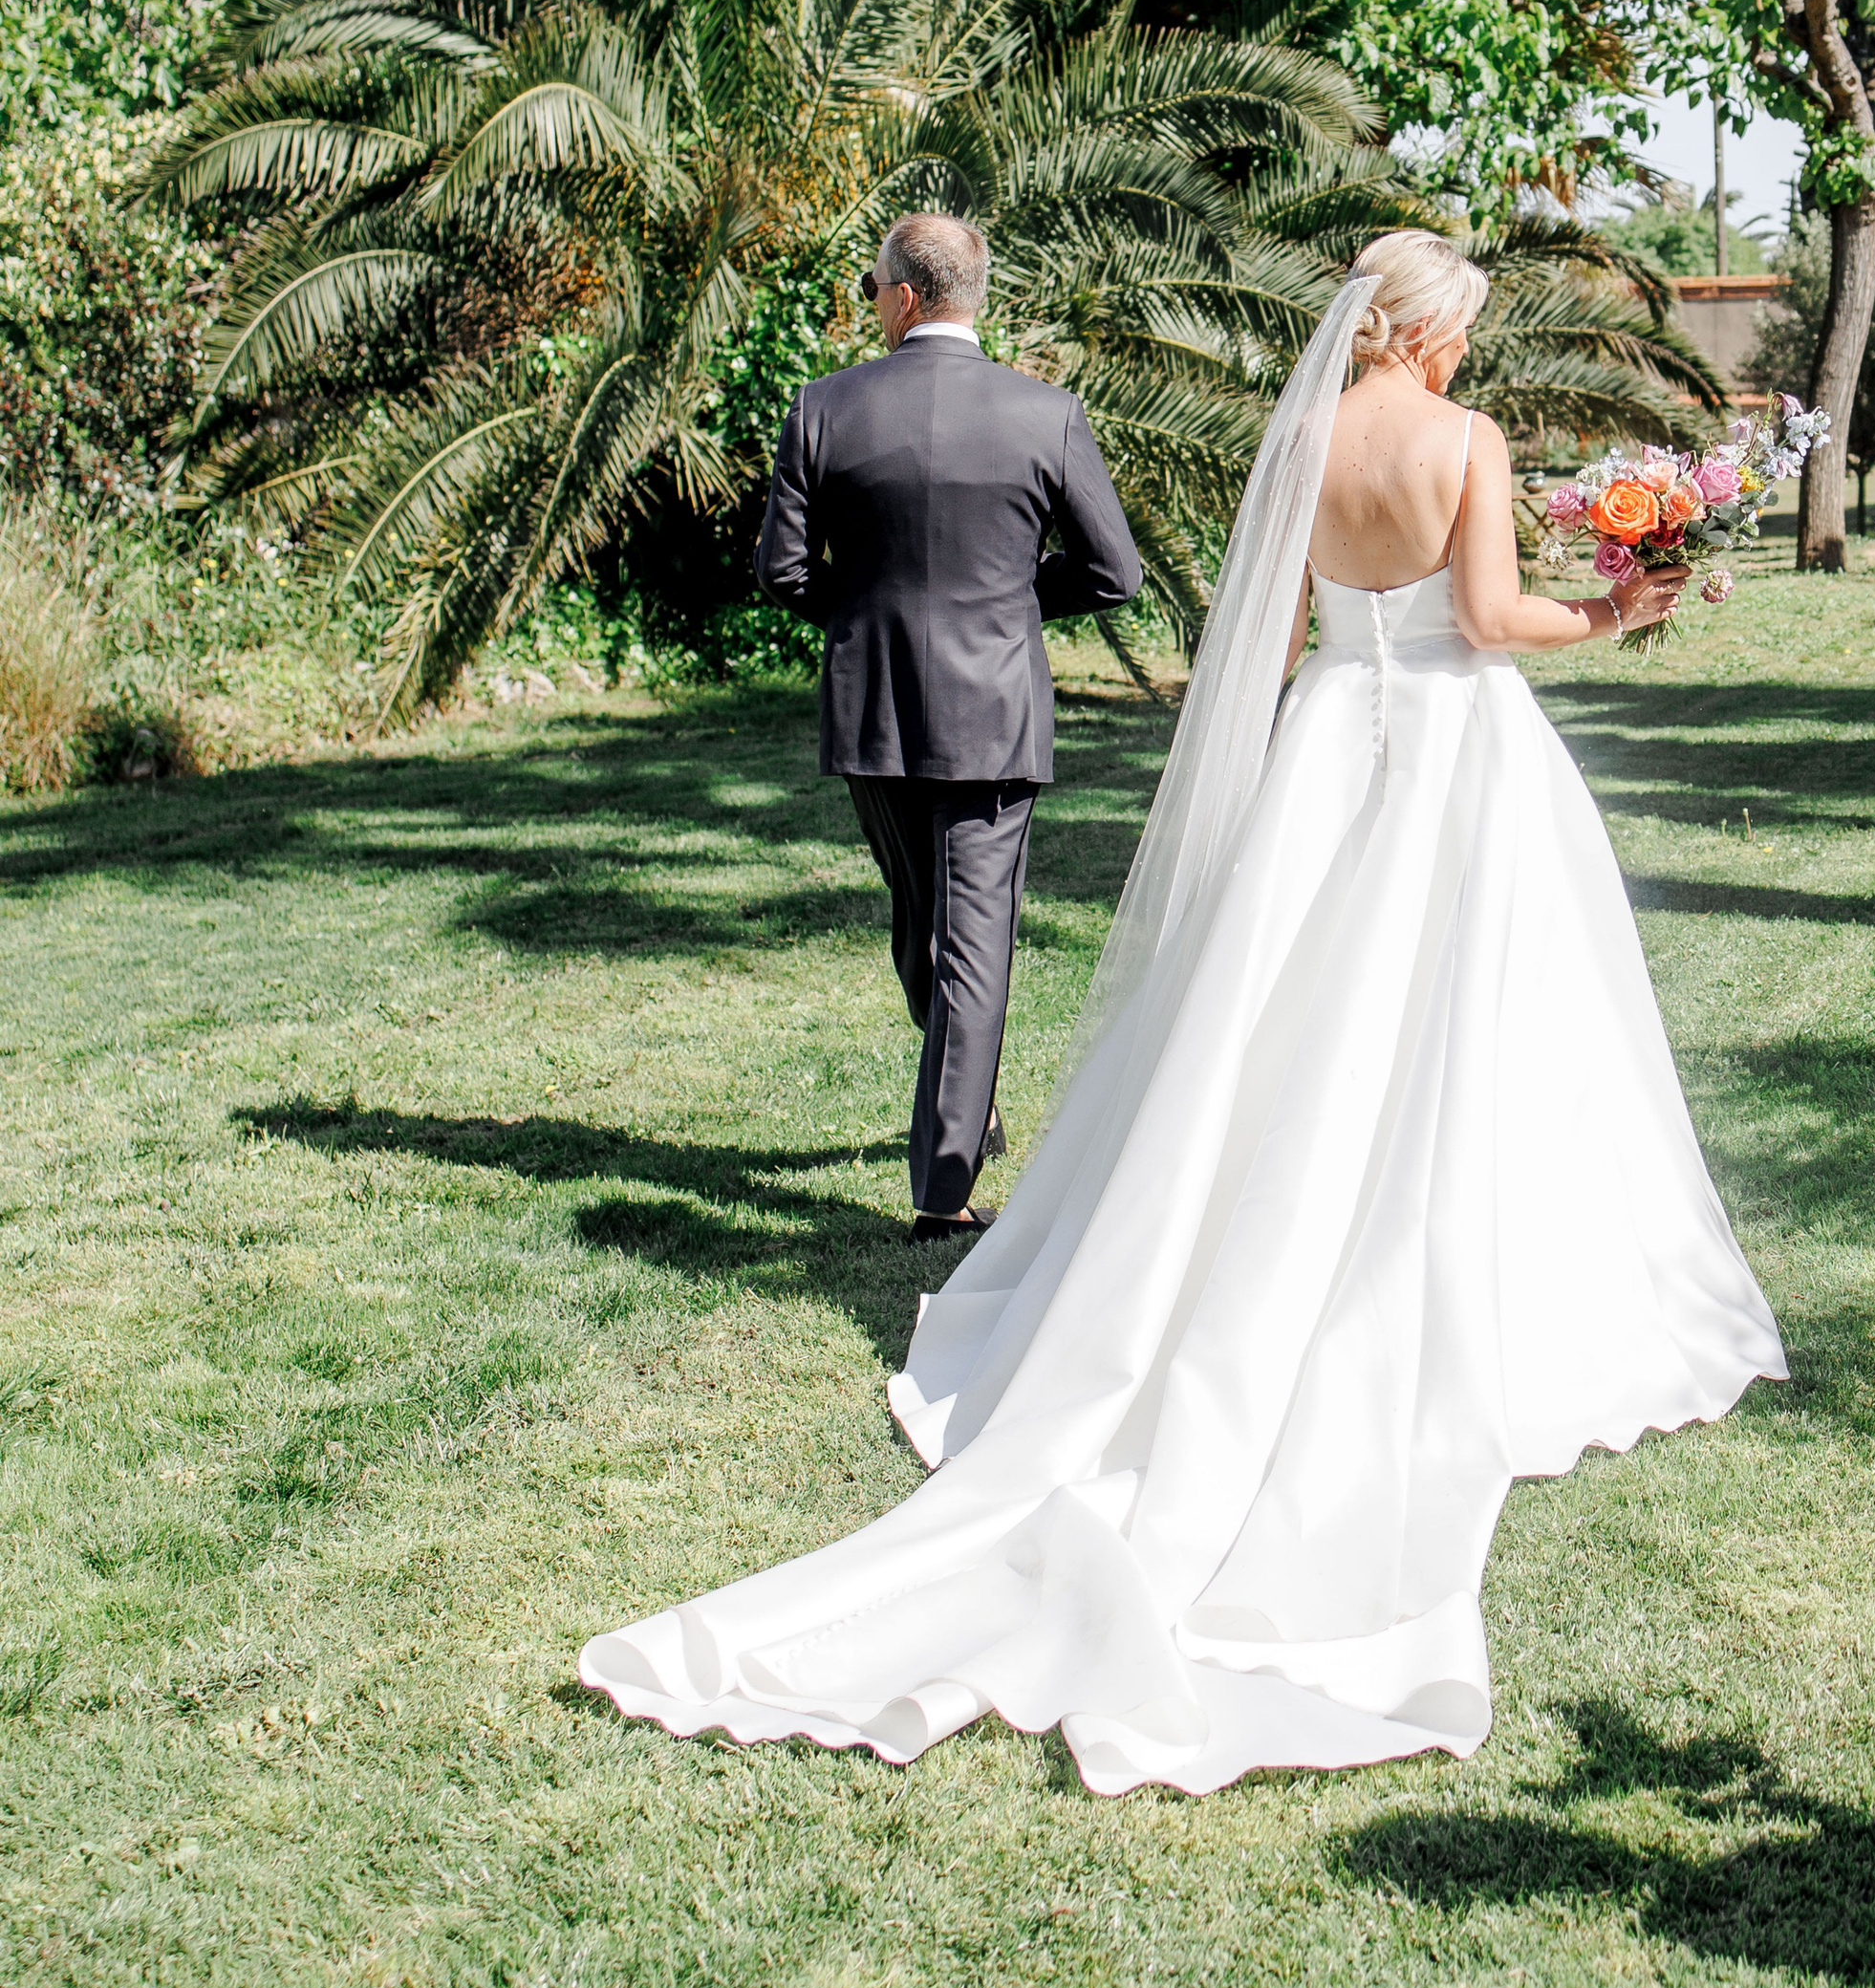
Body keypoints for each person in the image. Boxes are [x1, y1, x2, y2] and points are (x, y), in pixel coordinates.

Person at [584, 231, 1787, 1793]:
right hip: (1447, 759)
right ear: (1423, 332)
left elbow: (1271, 641)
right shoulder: (1466, 442)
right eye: (1464, 331)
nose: (1470, 357)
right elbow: (1490, 623)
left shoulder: (1303, 438)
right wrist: (1626, 612)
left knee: (1268, 1028)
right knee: (1473, 1024)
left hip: (1323, 743)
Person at [751, 212, 1141, 1240]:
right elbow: (1115, 572)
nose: (868, 299)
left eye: (871, 284)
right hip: (993, 708)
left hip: (872, 704)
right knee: (964, 940)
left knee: (927, 928)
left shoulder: (822, 406)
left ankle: (944, 1174)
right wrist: (1008, 602)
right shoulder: (1045, 413)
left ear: (907, 295)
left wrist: (870, 607)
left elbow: (782, 572)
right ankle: (957, 1136)